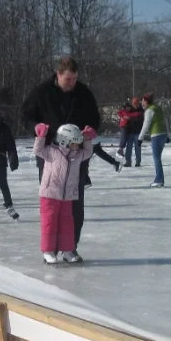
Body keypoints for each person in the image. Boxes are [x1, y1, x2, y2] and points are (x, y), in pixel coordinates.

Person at [22, 56, 102, 253]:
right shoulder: (42, 92)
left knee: (74, 204)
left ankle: (70, 247)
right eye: (68, 79)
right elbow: (26, 116)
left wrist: (92, 130)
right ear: (58, 74)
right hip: (50, 156)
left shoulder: (83, 93)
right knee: (52, 205)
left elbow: (95, 119)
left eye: (75, 79)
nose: (72, 83)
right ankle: (51, 248)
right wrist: (36, 128)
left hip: (76, 155)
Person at [34, 122, 95, 264]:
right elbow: (38, 150)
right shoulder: (51, 151)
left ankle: (67, 251)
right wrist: (41, 136)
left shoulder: (77, 155)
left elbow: (88, 152)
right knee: (49, 223)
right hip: (50, 194)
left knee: (67, 224)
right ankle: (48, 251)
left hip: (67, 195)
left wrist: (87, 139)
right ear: (64, 140)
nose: (77, 146)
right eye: (75, 142)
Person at [137, 91, 168, 187]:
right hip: (163, 134)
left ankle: (159, 180)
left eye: (143, 101)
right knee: (158, 158)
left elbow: (145, 125)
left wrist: (140, 138)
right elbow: (165, 120)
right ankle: (158, 179)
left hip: (156, 135)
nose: (142, 103)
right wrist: (168, 135)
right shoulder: (158, 108)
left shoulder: (149, 111)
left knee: (156, 159)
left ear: (147, 101)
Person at [118, 96, 145, 167]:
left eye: (136, 103)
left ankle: (138, 161)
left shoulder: (141, 110)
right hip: (130, 131)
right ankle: (128, 161)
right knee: (129, 147)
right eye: (134, 103)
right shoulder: (129, 109)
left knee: (138, 147)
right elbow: (121, 112)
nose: (135, 105)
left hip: (138, 131)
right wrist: (122, 117)